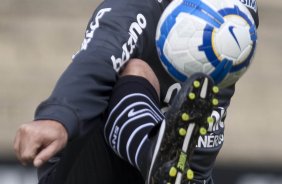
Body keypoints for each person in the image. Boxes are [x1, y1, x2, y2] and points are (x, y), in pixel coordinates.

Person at [13, 0, 259, 183]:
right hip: (90, 173)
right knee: (134, 69)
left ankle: (164, 164)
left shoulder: (234, 26)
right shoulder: (134, 7)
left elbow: (198, 161)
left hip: (180, 174)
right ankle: (154, 156)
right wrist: (58, 117)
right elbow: (100, 56)